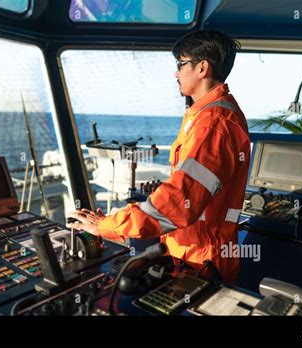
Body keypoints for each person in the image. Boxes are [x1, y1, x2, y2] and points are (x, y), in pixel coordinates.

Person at [67, 30, 250, 284]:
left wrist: (106, 227)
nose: (176, 73)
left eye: (180, 64)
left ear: (202, 68)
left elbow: (178, 202)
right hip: (192, 253)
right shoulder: (209, 116)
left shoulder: (213, 124)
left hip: (201, 263)